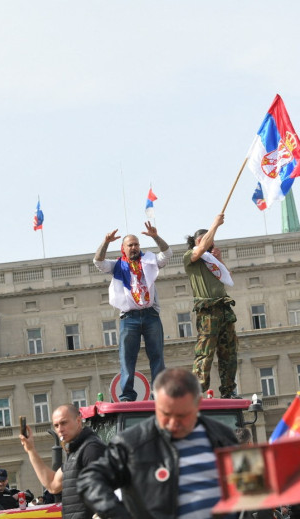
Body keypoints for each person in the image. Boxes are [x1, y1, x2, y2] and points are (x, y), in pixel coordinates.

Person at [77, 368, 238, 518]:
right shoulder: (132, 443)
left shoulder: (222, 436)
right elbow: (90, 479)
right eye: (166, 414)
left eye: (182, 415)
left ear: (198, 404)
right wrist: (121, 514)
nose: (173, 423)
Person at [94, 223, 172, 402]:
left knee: (157, 356)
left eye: (136, 244)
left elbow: (167, 254)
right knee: (127, 358)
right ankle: (128, 396)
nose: (134, 247)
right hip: (129, 317)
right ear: (123, 248)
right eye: (130, 245)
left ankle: (159, 393)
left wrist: (155, 236)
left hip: (150, 314)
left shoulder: (149, 261)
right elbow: (98, 262)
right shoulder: (117, 266)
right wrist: (106, 242)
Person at [184, 214, 240, 398]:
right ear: (200, 241)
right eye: (209, 240)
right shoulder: (191, 257)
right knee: (205, 354)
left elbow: (227, 277)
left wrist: (220, 259)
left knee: (229, 354)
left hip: (224, 309)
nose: (212, 243)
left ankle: (228, 391)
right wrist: (214, 225)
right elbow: (198, 251)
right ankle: (198, 392)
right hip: (207, 311)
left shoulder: (212, 260)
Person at [20, 404, 105, 519]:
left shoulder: (91, 449)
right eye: (56, 425)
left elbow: (105, 495)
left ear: (78, 421)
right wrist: (31, 450)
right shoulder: (76, 451)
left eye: (64, 423)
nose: (60, 429)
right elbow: (53, 485)